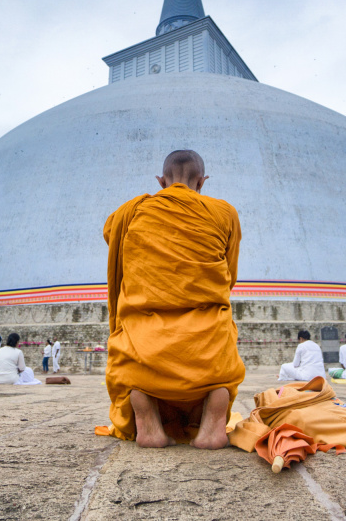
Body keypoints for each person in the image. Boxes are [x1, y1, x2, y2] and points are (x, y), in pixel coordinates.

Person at [101, 149, 246, 449]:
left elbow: (111, 235)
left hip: (146, 350)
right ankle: (212, 423)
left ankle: (147, 415)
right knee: (222, 351)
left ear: (161, 180)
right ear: (202, 182)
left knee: (134, 369)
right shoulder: (224, 213)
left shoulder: (131, 212)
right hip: (206, 350)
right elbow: (229, 276)